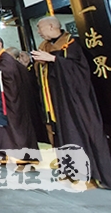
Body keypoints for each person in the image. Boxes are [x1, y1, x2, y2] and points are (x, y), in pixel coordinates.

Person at [32, 16, 111, 187]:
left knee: (80, 131)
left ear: (52, 26)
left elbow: (80, 71)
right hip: (56, 101)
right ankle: (71, 170)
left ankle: (92, 173)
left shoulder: (71, 44)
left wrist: (54, 60)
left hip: (75, 100)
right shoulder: (45, 46)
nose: (38, 32)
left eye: (40, 28)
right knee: (62, 133)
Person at [0, 36, 37, 158]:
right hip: (1, 99)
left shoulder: (6, 58)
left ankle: (15, 153)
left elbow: (8, 75)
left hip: (10, 102)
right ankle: (2, 152)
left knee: (10, 127)